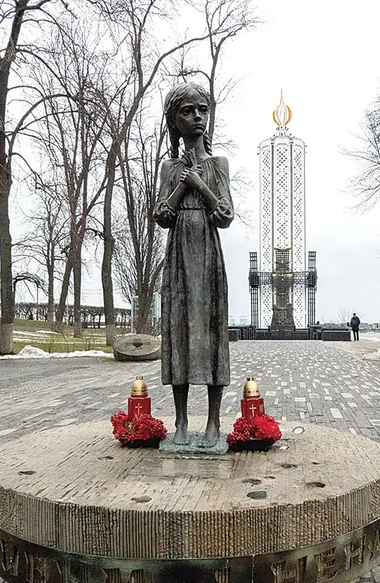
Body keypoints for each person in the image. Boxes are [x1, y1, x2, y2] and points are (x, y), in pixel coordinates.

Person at [153, 82, 234, 447]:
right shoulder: (169, 167)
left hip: (208, 253)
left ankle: (214, 422)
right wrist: (181, 185)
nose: (197, 117)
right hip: (179, 258)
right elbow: (162, 215)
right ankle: (182, 421)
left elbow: (225, 214)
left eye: (202, 110)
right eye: (188, 111)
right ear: (174, 120)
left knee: (212, 332)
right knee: (180, 331)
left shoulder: (218, 164)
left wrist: (199, 183)